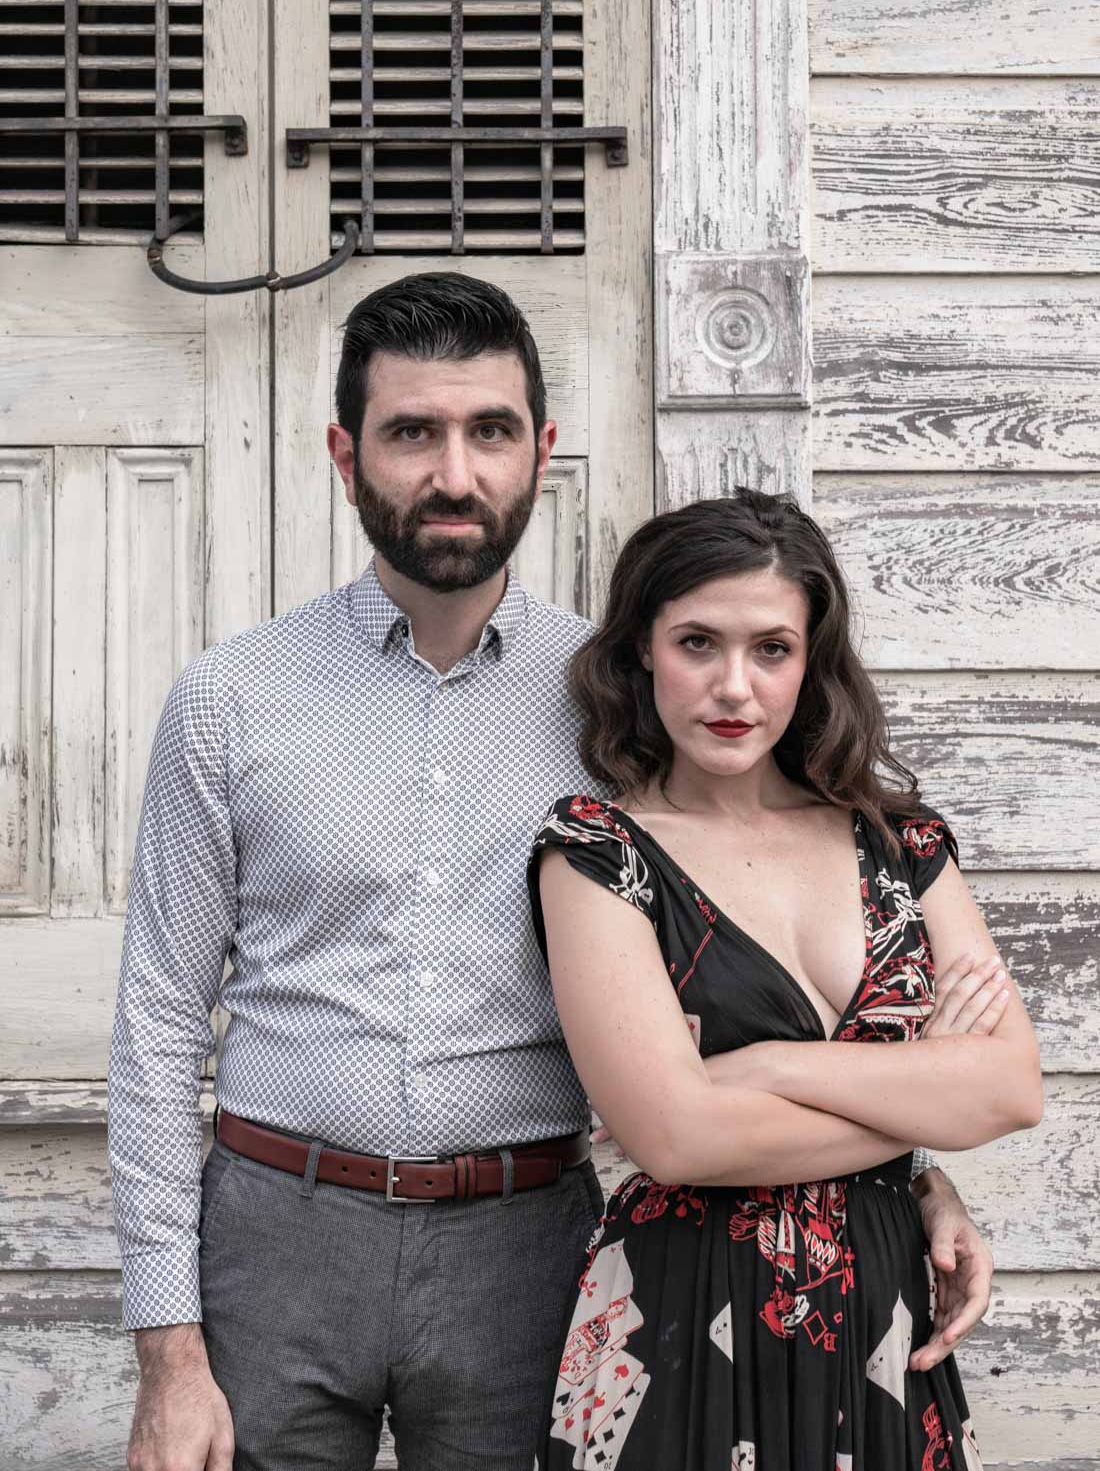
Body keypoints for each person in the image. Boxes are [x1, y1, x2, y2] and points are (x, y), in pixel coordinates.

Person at [109, 274, 993, 1471]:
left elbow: (736, 957)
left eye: (490, 431)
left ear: (542, 450)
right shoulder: (231, 698)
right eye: (412, 431)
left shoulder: (624, 702)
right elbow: (160, 1018)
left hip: (526, 1248)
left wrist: (911, 1174)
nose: (453, 473)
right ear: (344, 450)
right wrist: (168, 1346)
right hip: (276, 1237)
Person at [527, 491, 1044, 1471]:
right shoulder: (598, 853)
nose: (734, 686)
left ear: (810, 659)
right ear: (641, 646)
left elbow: (1009, 1088)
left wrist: (760, 1064)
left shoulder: (902, 843)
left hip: (885, 1318)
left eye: (770, 648)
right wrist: (926, 1097)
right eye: (696, 643)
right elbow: (675, 1137)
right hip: (680, 1318)